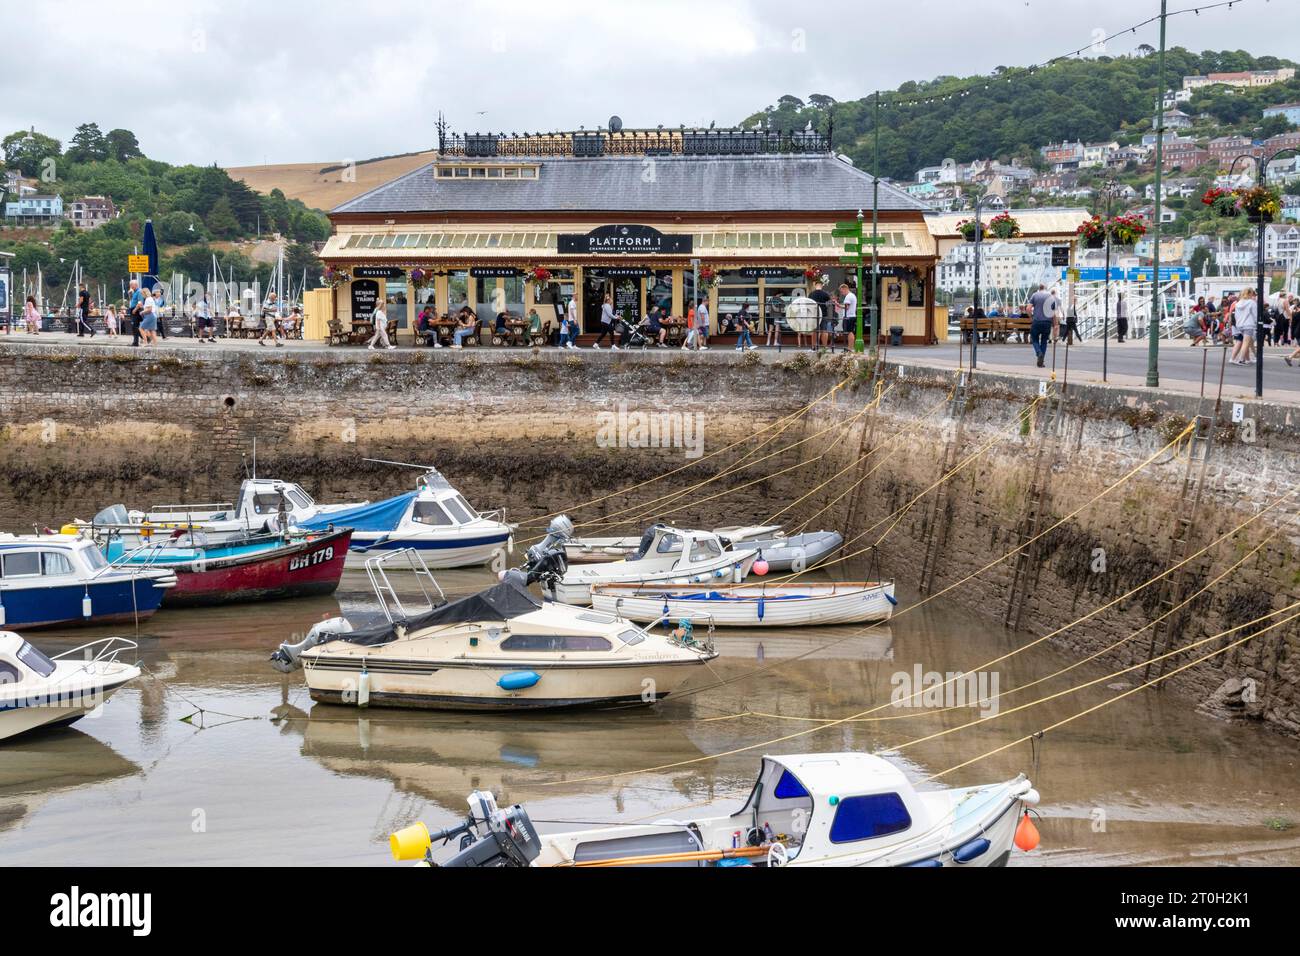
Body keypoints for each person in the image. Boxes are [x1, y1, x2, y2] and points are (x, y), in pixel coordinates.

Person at [1025, 283, 1054, 368]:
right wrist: (1055, 324)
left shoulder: (1035, 295)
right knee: (1044, 341)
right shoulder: (1051, 297)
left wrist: (1031, 317)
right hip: (1047, 322)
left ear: (1039, 288)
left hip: (1037, 321)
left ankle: (1038, 353)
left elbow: (1028, 308)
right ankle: (1041, 361)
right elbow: (1054, 312)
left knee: (1034, 339)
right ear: (1045, 288)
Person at [1231, 288, 1257, 365]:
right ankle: (1241, 359)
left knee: (1245, 342)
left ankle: (1247, 359)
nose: (1253, 295)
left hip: (1240, 325)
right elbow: (1255, 315)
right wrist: (1256, 324)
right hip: (1249, 324)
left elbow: (1236, 316)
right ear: (1250, 294)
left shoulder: (1238, 303)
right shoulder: (1252, 303)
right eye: (1252, 293)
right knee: (1246, 343)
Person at [811, 280, 832, 349]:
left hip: (814, 314)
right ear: (822, 285)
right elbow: (829, 304)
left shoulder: (811, 294)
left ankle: (814, 346)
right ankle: (824, 347)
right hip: (823, 313)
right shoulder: (825, 294)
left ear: (815, 285)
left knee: (814, 330)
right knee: (824, 330)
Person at [838, 283, 857, 348]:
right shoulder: (852, 295)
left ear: (845, 289)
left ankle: (850, 348)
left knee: (849, 332)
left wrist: (838, 306)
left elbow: (847, 307)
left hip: (849, 316)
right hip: (851, 316)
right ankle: (850, 347)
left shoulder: (848, 296)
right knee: (850, 332)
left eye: (841, 291)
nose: (841, 293)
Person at [127, 279, 144, 346]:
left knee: (134, 326)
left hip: (136, 310)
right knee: (134, 327)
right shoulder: (133, 292)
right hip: (132, 309)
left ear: (136, 285)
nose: (130, 286)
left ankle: (137, 341)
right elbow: (132, 300)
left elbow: (140, 302)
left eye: (132, 285)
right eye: (130, 285)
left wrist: (135, 309)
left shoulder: (139, 291)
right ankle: (136, 341)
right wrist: (129, 294)